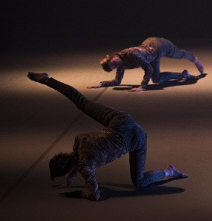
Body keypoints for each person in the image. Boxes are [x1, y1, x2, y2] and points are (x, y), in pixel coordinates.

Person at [28, 72, 188, 201]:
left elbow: (94, 195)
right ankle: (48, 80)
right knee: (81, 102)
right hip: (120, 120)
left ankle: (169, 172)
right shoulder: (78, 141)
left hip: (135, 139)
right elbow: (75, 160)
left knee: (139, 182)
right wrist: (68, 182)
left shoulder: (86, 168)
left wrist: (74, 192)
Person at [88, 37, 204, 92]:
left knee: (179, 54)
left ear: (113, 56)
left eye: (114, 63)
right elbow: (117, 82)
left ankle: (195, 60)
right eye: (114, 67)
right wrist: (101, 84)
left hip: (159, 46)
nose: (116, 65)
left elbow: (148, 68)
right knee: (157, 79)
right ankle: (184, 75)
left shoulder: (132, 53)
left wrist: (142, 86)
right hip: (151, 56)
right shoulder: (120, 64)